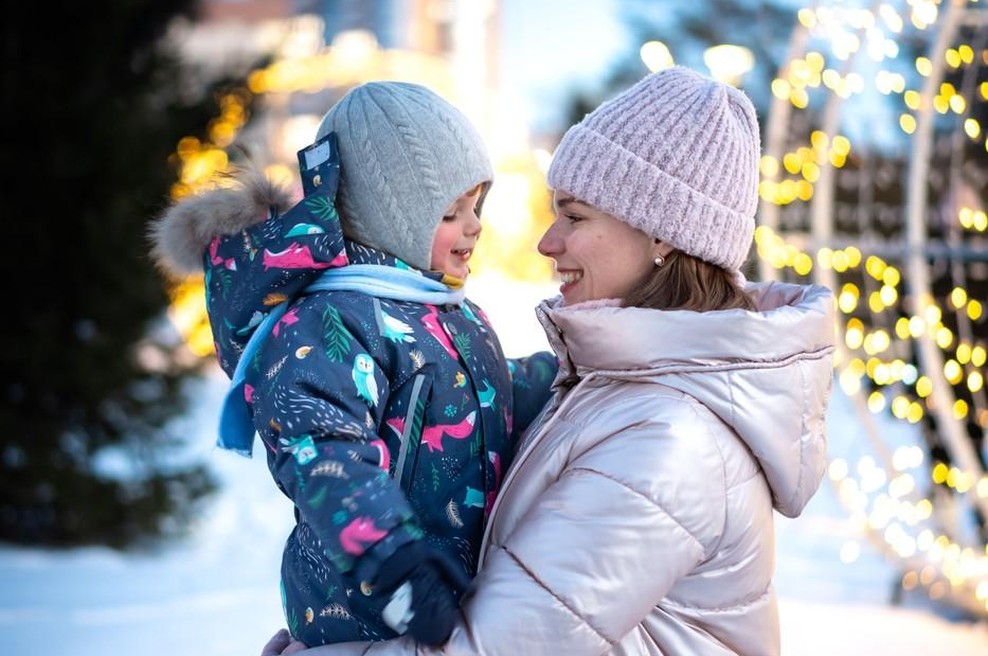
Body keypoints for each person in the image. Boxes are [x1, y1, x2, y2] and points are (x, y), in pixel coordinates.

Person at [262, 66, 836, 656]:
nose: (546, 242)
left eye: (576, 216)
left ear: (662, 235)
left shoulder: (669, 441)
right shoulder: (621, 388)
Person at [149, 82, 557, 648]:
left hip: (443, 599)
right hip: (360, 611)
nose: (474, 226)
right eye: (449, 211)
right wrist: (391, 561)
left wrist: (567, 368)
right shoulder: (331, 320)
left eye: (475, 205)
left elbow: (488, 397)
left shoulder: (448, 314)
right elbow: (322, 447)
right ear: (389, 217)